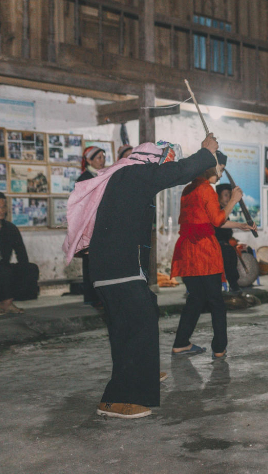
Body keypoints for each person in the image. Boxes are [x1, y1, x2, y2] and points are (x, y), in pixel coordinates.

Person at [63, 137, 220, 419]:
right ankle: (117, 399)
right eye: (163, 161)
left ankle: (141, 374)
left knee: (134, 322)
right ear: (153, 159)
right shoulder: (134, 173)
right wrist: (206, 153)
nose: (163, 167)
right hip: (117, 268)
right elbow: (178, 172)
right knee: (137, 324)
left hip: (114, 267)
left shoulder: (125, 175)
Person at [171, 151, 255, 359]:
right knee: (216, 301)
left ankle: (181, 342)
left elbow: (210, 220)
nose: (220, 175)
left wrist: (241, 225)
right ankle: (219, 348)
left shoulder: (189, 188)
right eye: (220, 169)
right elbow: (217, 220)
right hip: (204, 252)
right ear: (210, 165)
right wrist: (234, 200)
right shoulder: (206, 189)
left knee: (195, 299)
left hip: (187, 250)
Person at [0, 191, 39, 315]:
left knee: (30, 269)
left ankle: (7, 303)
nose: (1, 211)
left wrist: (24, 271)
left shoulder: (10, 228)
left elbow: (21, 253)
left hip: (2, 267)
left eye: (4, 207)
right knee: (0, 271)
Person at [77, 145, 107, 308]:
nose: (102, 161)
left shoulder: (99, 176)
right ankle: (92, 297)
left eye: (103, 157)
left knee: (98, 262)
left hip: (99, 224)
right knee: (91, 262)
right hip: (89, 225)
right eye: (98, 158)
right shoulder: (85, 178)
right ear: (88, 160)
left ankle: (98, 296)